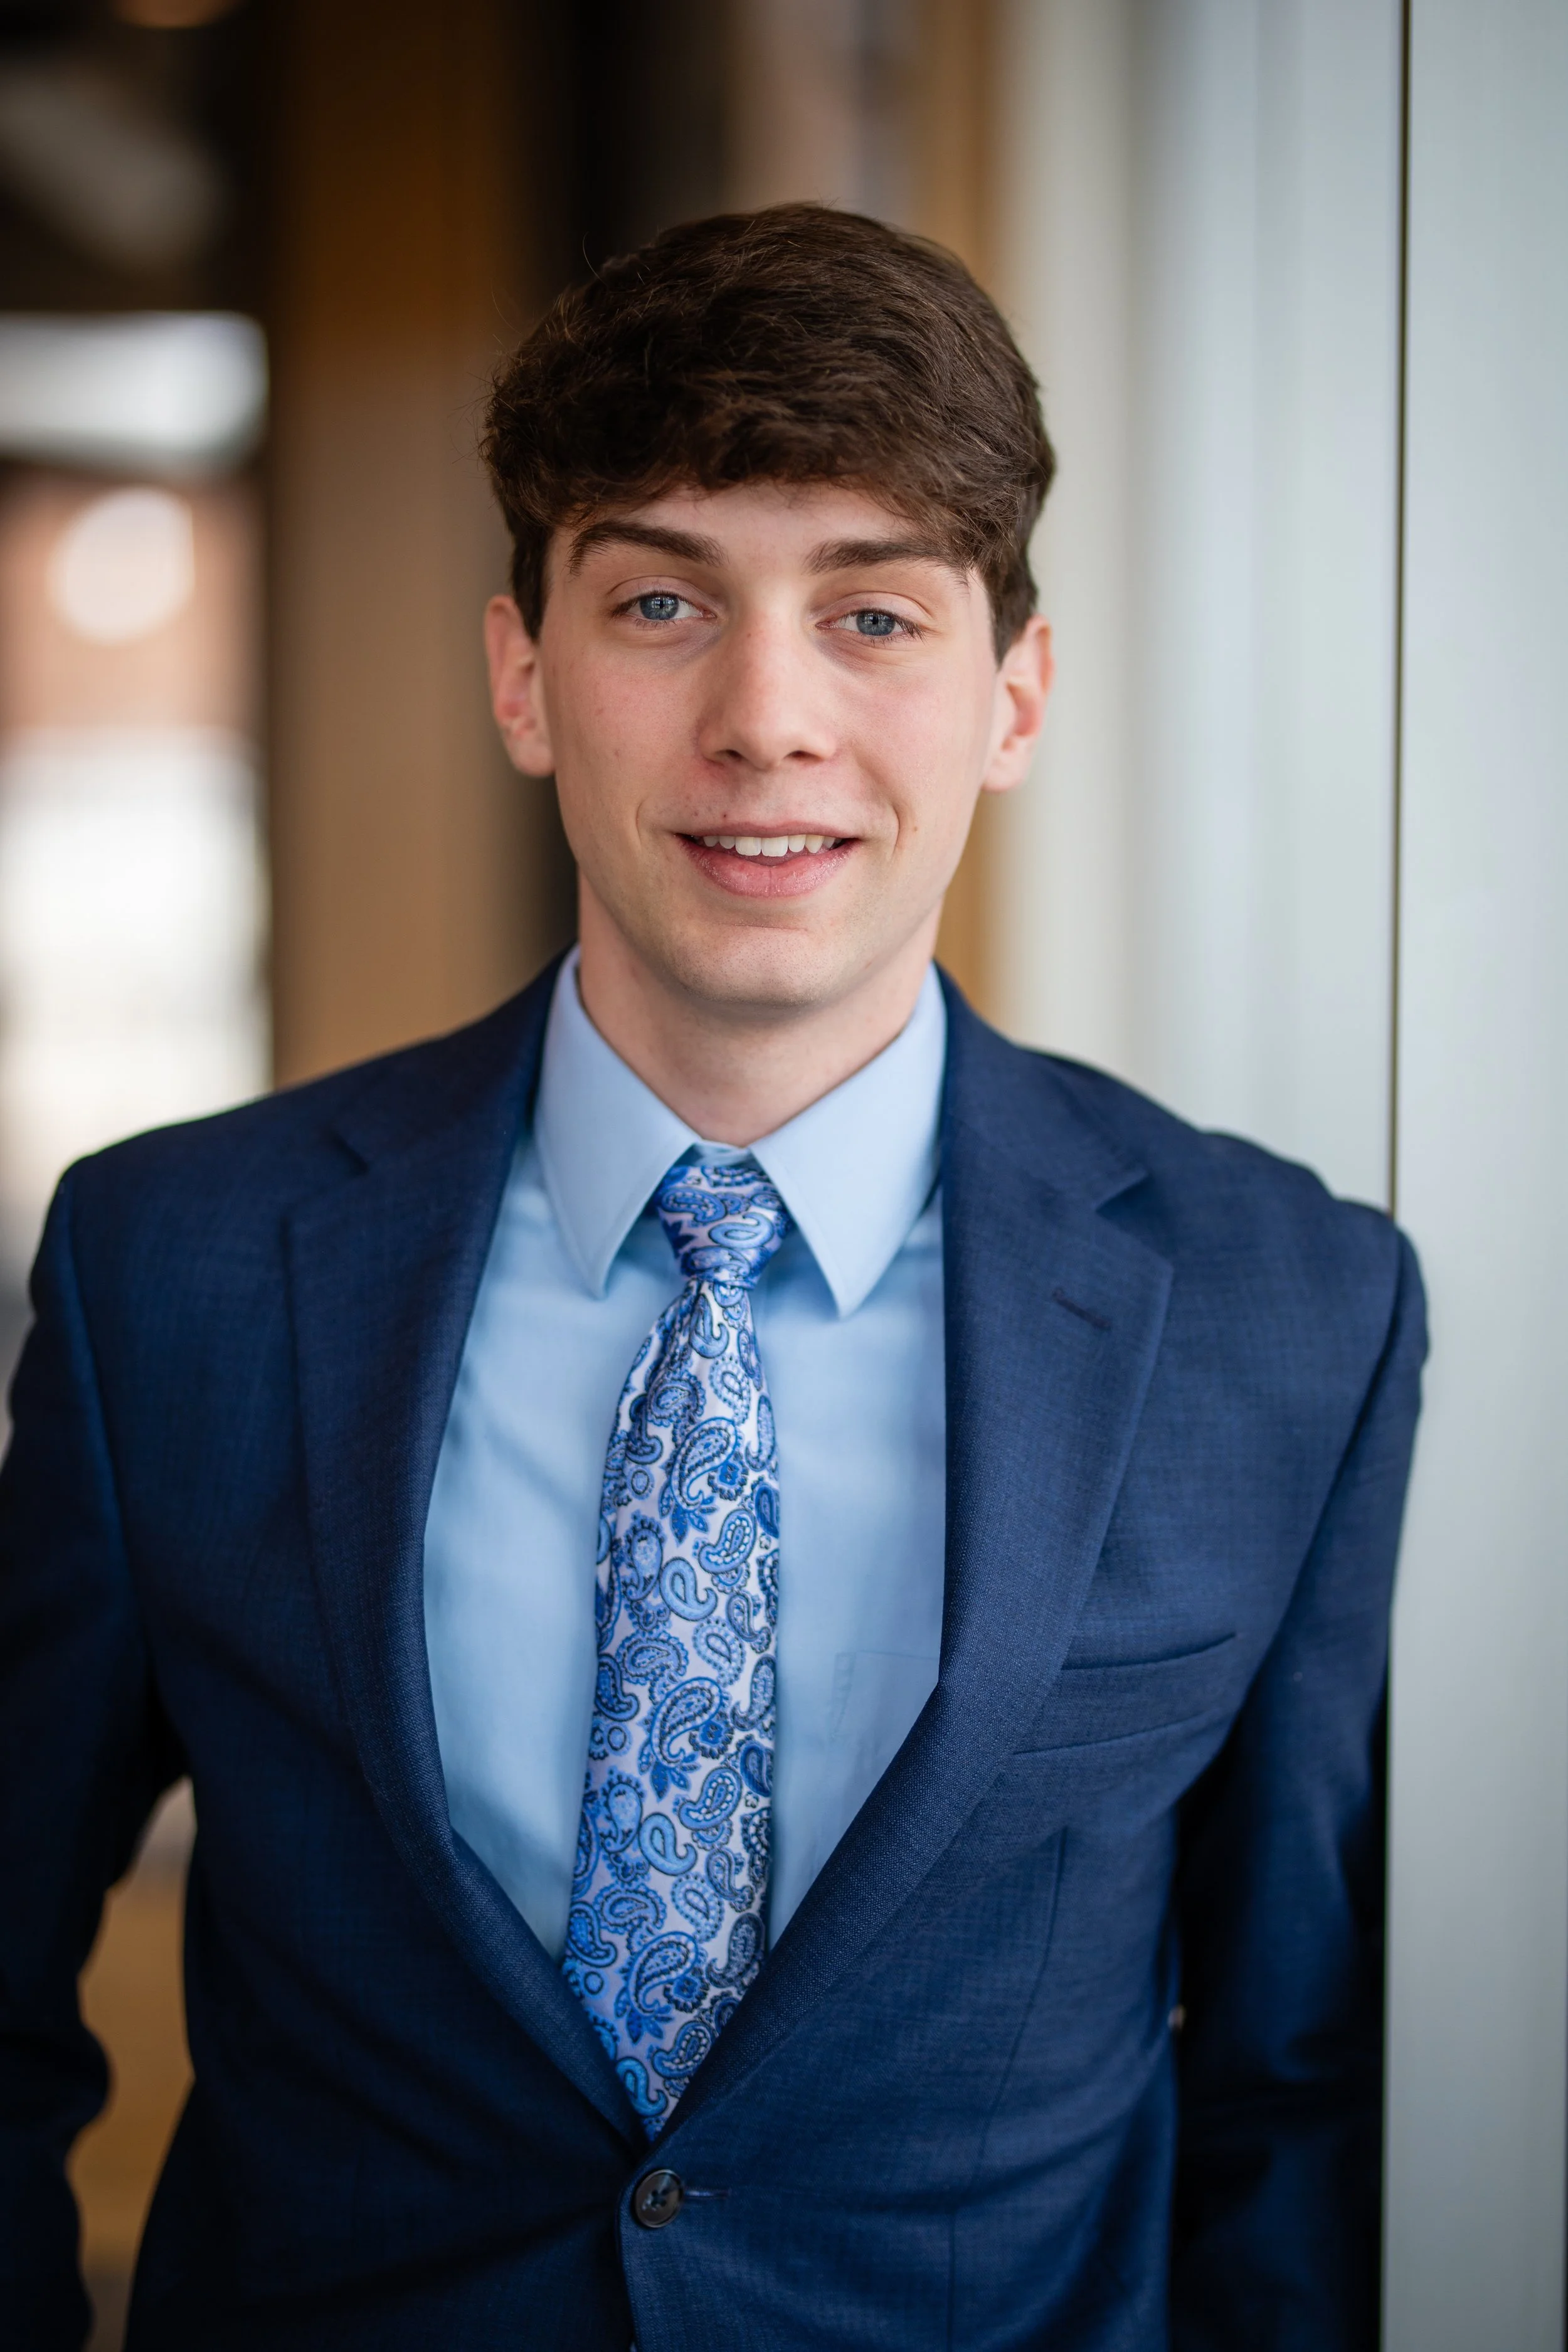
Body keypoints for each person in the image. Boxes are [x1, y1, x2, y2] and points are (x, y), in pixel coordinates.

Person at [0, 204, 1423, 2351]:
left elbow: (1293, 2092)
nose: (768, 719)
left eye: (873, 614)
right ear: (520, 672)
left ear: (1013, 692)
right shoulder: (167, 1266)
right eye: (662, 598)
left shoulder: (1283, 1308)